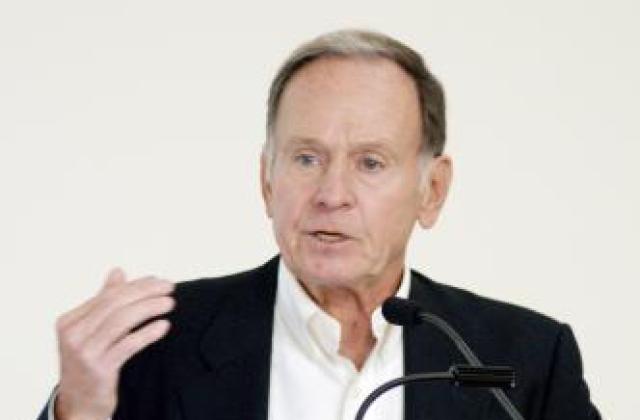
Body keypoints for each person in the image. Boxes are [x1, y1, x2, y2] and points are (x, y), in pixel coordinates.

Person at [38, 29, 600, 420]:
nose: (332, 195)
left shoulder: (526, 358)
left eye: (370, 163)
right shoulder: (156, 345)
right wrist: (79, 410)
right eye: (307, 158)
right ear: (267, 180)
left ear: (432, 191)